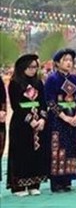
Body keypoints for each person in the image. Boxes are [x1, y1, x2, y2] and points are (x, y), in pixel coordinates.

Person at [6, 54, 49, 196]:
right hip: (21, 123)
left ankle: (34, 184)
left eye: (35, 67)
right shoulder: (15, 83)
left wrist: (42, 118)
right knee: (21, 153)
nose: (33, 70)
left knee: (36, 153)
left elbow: (43, 102)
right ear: (22, 67)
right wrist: (30, 119)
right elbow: (16, 105)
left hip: (38, 122)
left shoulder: (38, 83)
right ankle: (18, 186)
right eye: (30, 67)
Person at [45, 49, 76, 192]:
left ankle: (68, 179)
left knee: (71, 148)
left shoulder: (75, 79)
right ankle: (56, 182)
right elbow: (50, 101)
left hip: (73, 117)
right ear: (57, 63)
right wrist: (64, 117)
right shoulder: (52, 79)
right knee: (57, 148)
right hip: (58, 119)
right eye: (65, 60)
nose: (69, 62)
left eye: (70, 60)